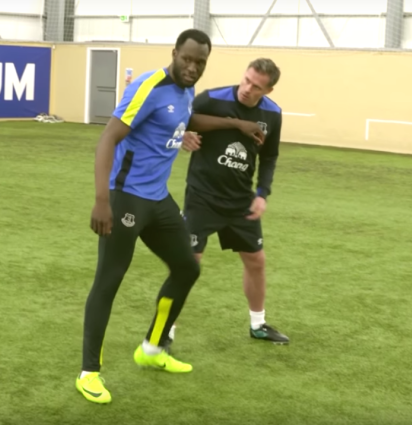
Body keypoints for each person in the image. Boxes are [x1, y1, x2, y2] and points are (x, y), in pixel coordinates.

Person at [77, 29, 266, 405]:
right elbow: (108, 138)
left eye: (200, 63)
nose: (192, 67)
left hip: (158, 200)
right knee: (109, 280)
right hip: (125, 199)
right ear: (175, 53)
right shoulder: (150, 86)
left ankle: (152, 347)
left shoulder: (183, 91)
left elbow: (186, 119)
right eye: (187, 59)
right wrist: (102, 200)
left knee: (187, 268)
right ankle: (89, 373)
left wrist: (236, 124)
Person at [164, 58, 289, 353]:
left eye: (256, 86)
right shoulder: (212, 98)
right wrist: (183, 136)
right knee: (188, 263)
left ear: (269, 89)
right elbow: (175, 120)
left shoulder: (272, 114)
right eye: (246, 80)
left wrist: (262, 193)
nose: (247, 88)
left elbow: (269, 157)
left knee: (256, 261)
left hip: (240, 201)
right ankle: (165, 329)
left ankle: (258, 325)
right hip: (202, 197)